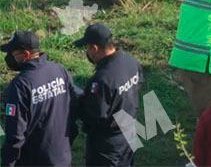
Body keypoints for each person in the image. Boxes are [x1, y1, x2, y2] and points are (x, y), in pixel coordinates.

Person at [0, 31, 78, 167]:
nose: (9, 57)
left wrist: (8, 163)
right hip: (62, 158)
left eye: (13, 53)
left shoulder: (20, 86)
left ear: (26, 54)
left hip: (34, 160)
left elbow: (15, 134)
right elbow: (75, 107)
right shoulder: (60, 70)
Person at [74, 23, 144, 167]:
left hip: (107, 146)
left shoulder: (102, 80)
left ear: (94, 48)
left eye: (87, 48)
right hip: (129, 132)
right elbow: (139, 85)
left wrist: (76, 101)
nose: (87, 52)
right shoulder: (130, 61)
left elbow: (93, 115)